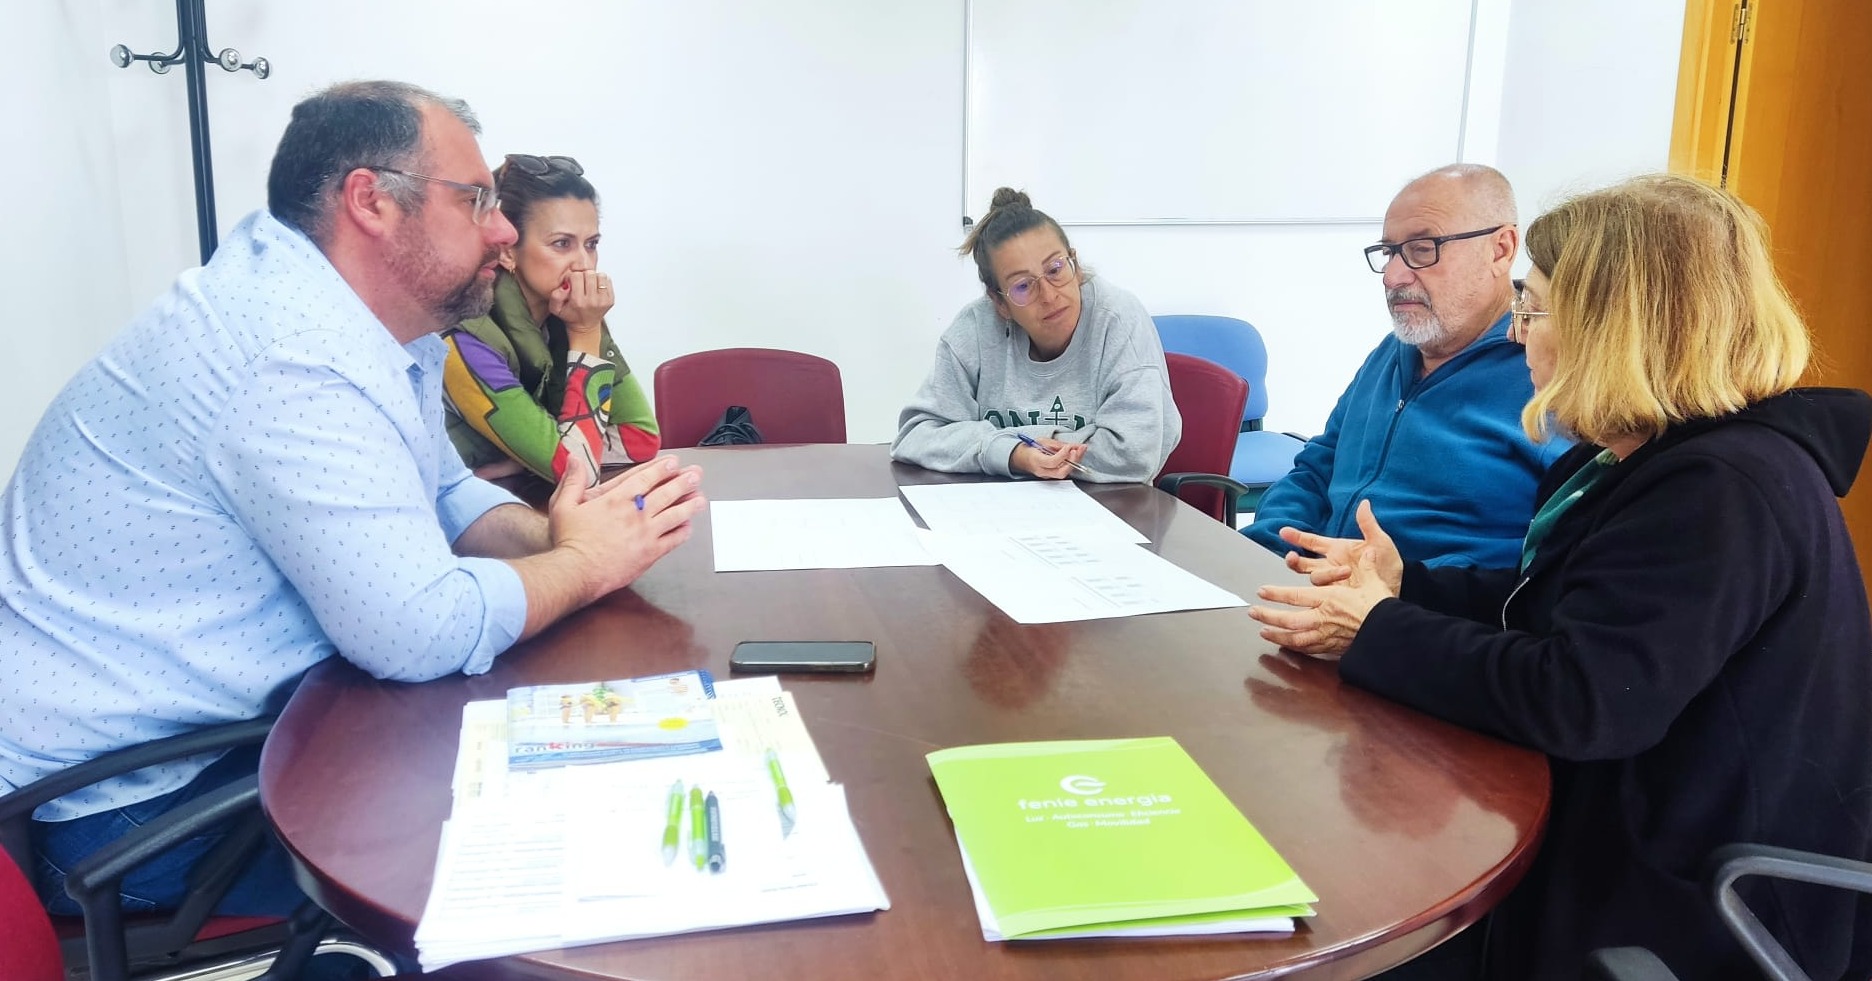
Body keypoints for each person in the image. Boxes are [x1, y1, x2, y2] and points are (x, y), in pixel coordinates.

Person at [0, 81, 706, 920]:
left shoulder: (368, 322)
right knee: (551, 851)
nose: (503, 231)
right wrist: (584, 563)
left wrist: (555, 536)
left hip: (232, 727)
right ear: (370, 201)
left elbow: (446, 491)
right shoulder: (291, 355)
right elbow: (419, 629)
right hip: (130, 802)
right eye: (476, 201)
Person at [1248, 174, 1872, 979]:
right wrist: (1408, 585)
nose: (1517, 331)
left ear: (1613, 327)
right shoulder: (1635, 460)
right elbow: (1557, 605)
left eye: (1534, 307)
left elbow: (1580, 700)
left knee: (1344, 910)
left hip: (1679, 896)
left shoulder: (1722, 490)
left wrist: (1378, 628)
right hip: (1601, 819)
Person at [1243, 164, 1568, 568]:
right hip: (1311, 582)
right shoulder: (1394, 351)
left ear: (1500, 249)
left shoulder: (1548, 374)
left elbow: (1545, 559)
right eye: (1389, 252)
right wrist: (1269, 545)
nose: (1393, 276)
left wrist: (1386, 587)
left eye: (1422, 249)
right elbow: (1318, 467)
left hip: (1421, 602)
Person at [891, 187, 1181, 482]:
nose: (1049, 296)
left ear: (1076, 266)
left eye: (1055, 269)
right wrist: (1013, 453)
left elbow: (1135, 453)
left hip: (1113, 503)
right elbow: (916, 435)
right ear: (999, 303)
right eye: (1023, 286)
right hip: (999, 503)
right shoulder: (975, 328)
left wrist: (1025, 447)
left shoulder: (1119, 320)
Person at [441, 154, 659, 481]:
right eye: (562, 244)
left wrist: (533, 458)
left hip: (519, 493)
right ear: (507, 251)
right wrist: (585, 333)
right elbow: (576, 470)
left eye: (591, 244)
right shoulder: (463, 341)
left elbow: (641, 439)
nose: (584, 264)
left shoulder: (571, 313)